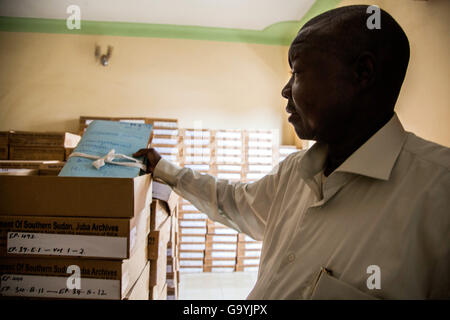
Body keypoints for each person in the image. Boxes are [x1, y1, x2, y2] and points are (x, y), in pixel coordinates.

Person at [134, 5, 449, 299]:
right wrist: (165, 169)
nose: (286, 91)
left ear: (362, 73)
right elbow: (231, 200)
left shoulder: (439, 197)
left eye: (297, 72)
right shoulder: (294, 172)